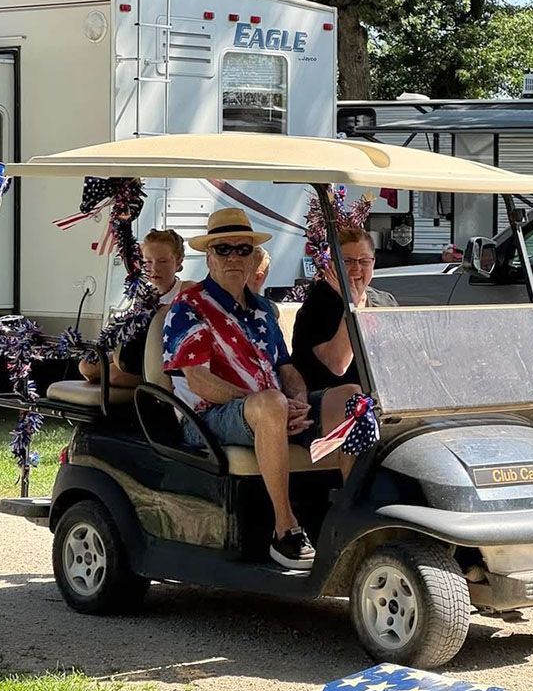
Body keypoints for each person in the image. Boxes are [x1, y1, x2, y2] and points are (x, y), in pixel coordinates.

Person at [162, 207, 357, 569]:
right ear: (209, 256)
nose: (234, 257)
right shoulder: (189, 307)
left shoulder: (264, 309)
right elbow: (198, 381)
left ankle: (352, 519)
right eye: (224, 249)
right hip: (208, 418)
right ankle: (285, 530)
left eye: (242, 249)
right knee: (269, 404)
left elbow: (286, 366)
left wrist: (297, 399)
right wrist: (270, 404)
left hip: (268, 408)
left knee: (351, 398)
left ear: (254, 257)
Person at [292, 225, 397, 392]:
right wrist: (352, 305)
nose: (356, 268)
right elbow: (338, 364)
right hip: (330, 398)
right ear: (333, 265)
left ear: (373, 263)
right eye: (347, 261)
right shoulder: (319, 303)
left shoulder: (385, 301)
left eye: (364, 261)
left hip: (382, 398)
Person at [80, 228, 185, 387]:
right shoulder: (145, 295)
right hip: (137, 354)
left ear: (178, 262)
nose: (155, 268)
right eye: (148, 262)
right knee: (86, 366)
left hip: (162, 358)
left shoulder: (185, 291)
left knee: (115, 376)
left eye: (163, 261)